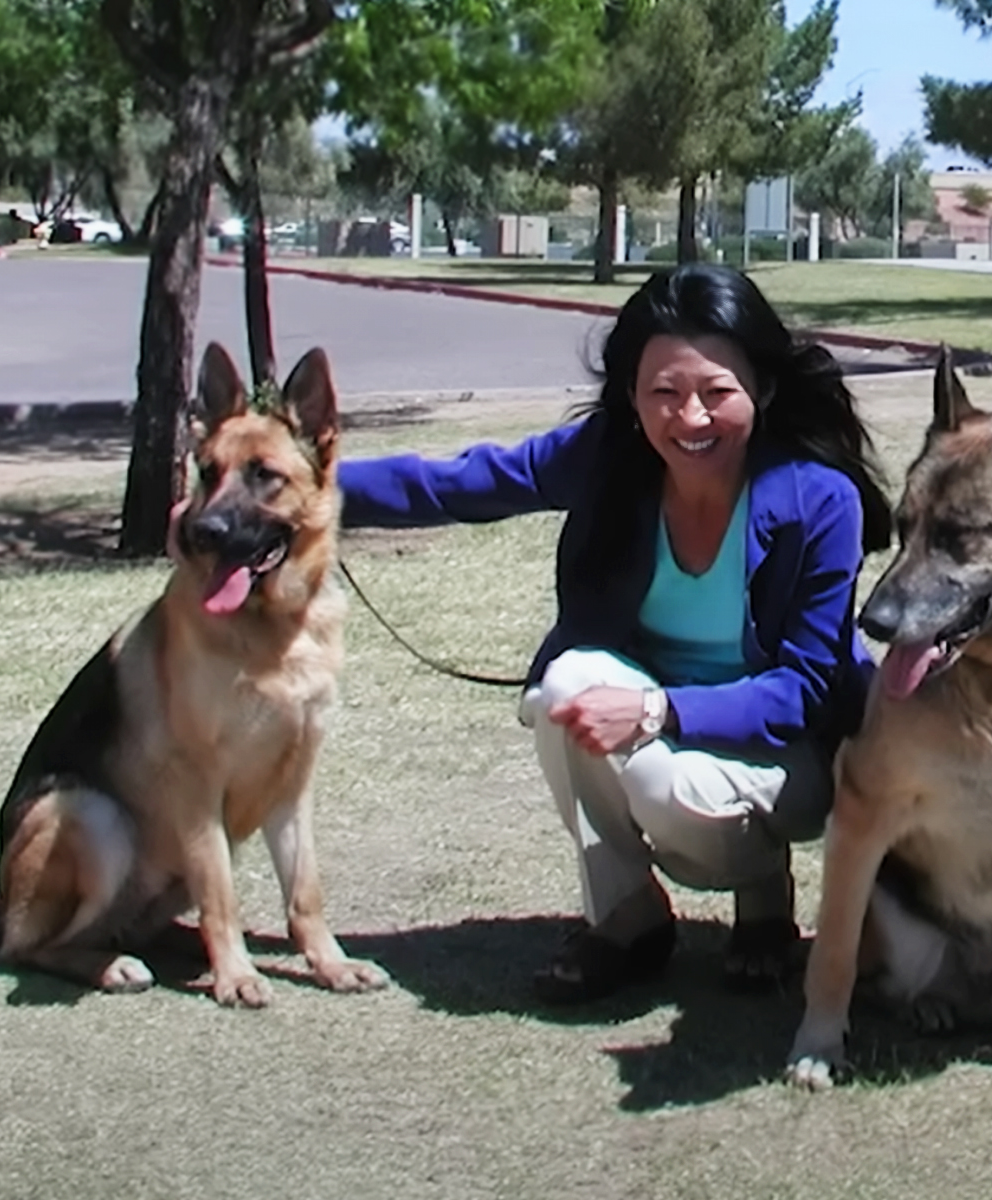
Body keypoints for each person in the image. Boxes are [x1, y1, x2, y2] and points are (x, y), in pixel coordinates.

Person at [337, 263, 894, 1004]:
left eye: (716, 392)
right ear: (632, 396)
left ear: (760, 388)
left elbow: (805, 689)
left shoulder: (819, 499)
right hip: (664, 729)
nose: (689, 418)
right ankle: (628, 916)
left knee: (666, 785)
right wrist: (293, 485)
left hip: (790, 757)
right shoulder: (608, 459)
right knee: (566, 686)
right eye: (663, 392)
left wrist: (659, 711)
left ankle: (763, 894)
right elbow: (455, 482)